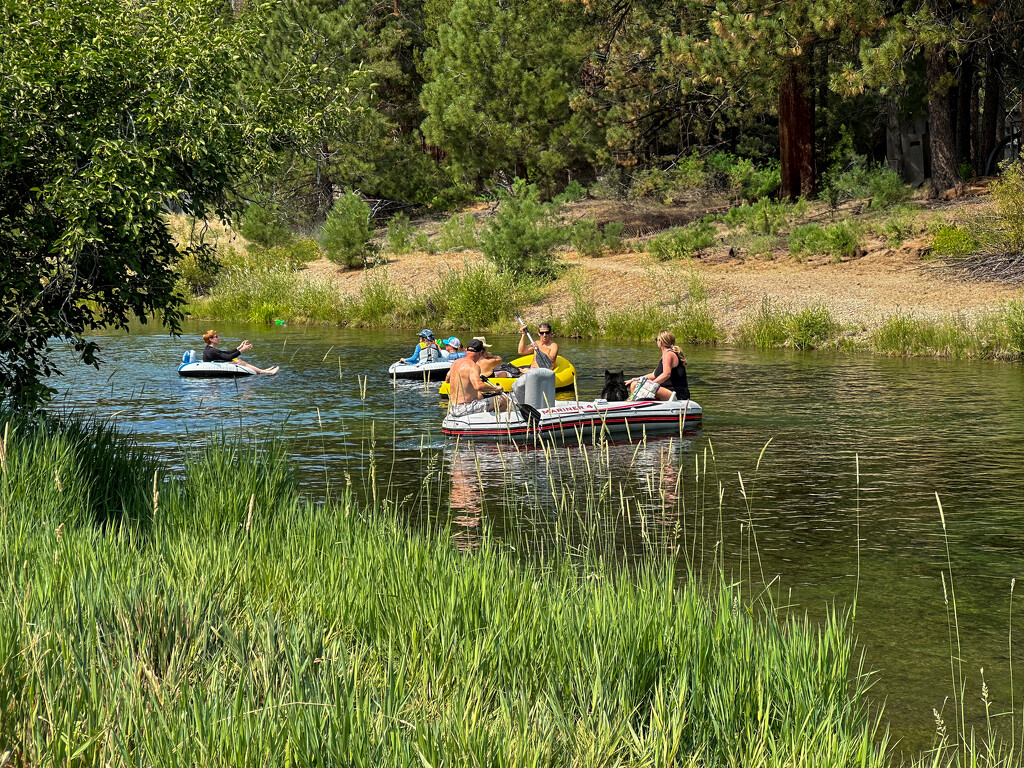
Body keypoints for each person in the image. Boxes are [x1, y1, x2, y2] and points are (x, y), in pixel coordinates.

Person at [447, 338, 510, 416]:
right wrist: (495, 389)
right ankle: (495, 423)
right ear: (480, 353)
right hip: (466, 408)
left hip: (452, 408)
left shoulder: (455, 363)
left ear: (466, 350)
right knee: (503, 399)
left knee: (479, 397)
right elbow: (478, 386)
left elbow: (447, 379)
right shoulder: (473, 366)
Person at [628, 330, 690, 401]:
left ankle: (634, 405)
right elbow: (654, 375)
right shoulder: (665, 355)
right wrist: (634, 379)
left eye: (657, 339)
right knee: (634, 384)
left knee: (637, 386)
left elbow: (666, 374)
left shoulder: (668, 354)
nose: (657, 341)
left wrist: (650, 385)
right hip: (667, 391)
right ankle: (634, 406)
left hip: (677, 393)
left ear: (660, 341)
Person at [202, 330, 280, 374]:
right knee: (239, 361)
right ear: (211, 339)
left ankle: (264, 370)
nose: (218, 338)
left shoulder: (210, 349)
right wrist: (242, 350)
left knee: (237, 360)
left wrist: (240, 347)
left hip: (217, 362)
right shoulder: (212, 350)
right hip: (214, 366)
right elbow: (228, 357)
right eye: (216, 337)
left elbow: (226, 353)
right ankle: (264, 372)